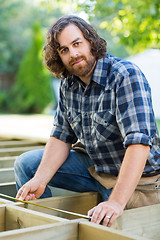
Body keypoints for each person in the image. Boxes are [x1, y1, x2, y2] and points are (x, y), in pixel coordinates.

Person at [14, 15, 160, 227]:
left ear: (91, 41)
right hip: (98, 169)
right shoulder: (68, 85)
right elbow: (60, 137)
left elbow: (139, 144)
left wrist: (116, 202)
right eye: (64, 50)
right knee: (27, 166)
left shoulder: (124, 75)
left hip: (138, 181)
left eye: (76, 43)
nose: (73, 54)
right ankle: (45, 230)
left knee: (112, 228)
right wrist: (40, 180)